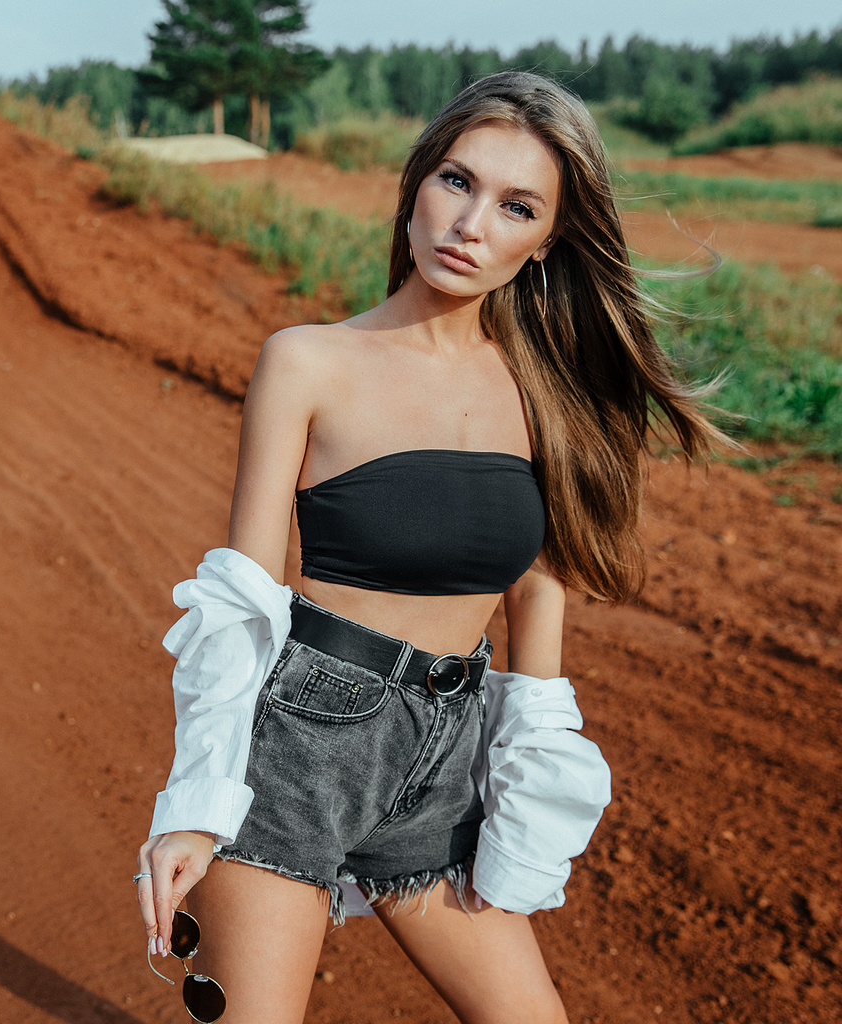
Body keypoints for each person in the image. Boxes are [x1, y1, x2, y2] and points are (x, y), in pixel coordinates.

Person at [135, 71, 728, 1024]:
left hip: (446, 764)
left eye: (516, 205)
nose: (471, 223)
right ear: (416, 187)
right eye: (456, 182)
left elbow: (539, 598)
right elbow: (246, 597)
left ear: (547, 241)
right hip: (299, 750)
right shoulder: (308, 360)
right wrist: (195, 803)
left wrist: (525, 812)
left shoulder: (549, 395)